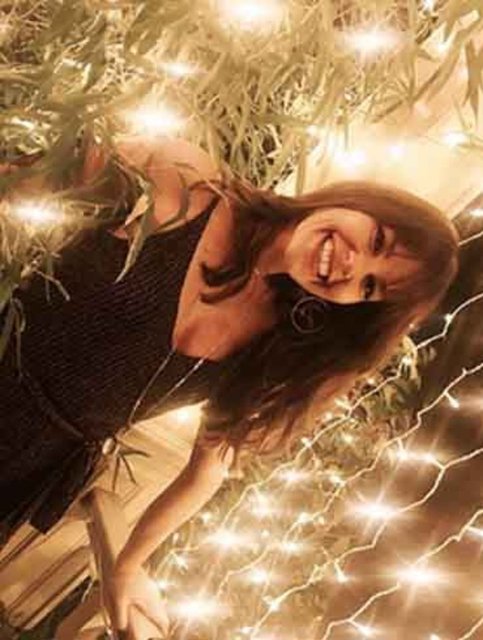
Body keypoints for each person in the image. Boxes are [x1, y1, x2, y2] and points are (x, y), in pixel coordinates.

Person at [0, 132, 458, 633]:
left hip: (28, 462)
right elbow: (34, 172)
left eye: (370, 287)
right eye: (377, 241)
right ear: (359, 201)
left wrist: (130, 564)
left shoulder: (276, 347)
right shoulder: (189, 184)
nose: (353, 268)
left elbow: (208, 469)